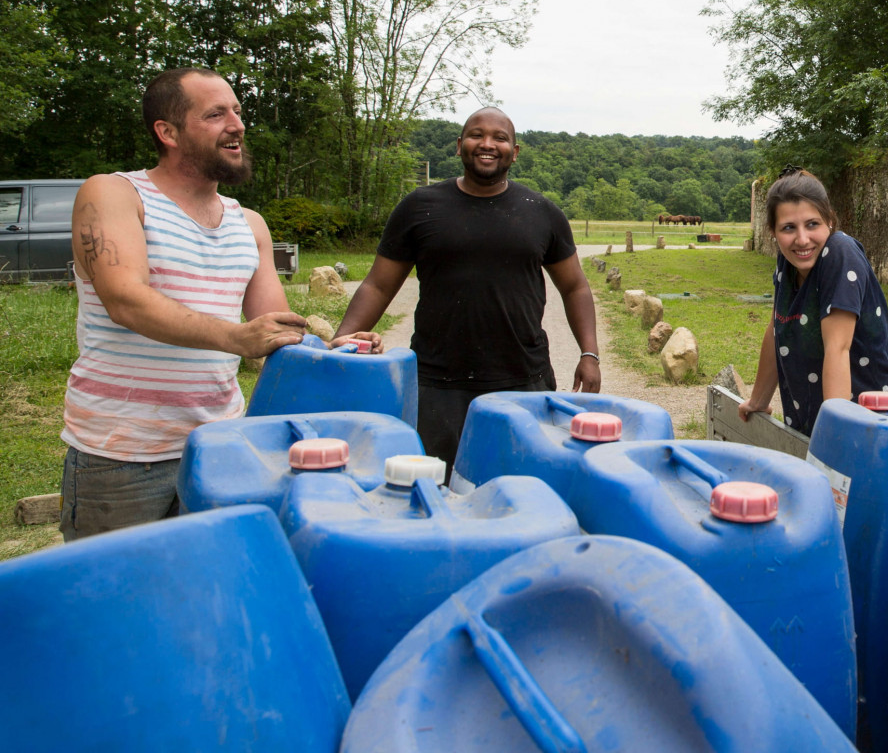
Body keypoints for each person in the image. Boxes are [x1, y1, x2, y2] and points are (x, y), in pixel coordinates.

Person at [60, 67, 379, 540]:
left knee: (206, 594)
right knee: (116, 605)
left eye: (237, 111)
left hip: (221, 446)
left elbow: (272, 330)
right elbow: (125, 300)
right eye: (215, 114)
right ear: (166, 132)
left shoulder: (248, 223)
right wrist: (235, 337)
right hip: (121, 454)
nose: (237, 124)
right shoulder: (113, 193)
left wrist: (329, 349)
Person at [335, 107, 600, 468]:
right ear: (460, 145)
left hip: (524, 382)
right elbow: (378, 286)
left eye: (500, 137)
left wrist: (590, 353)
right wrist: (342, 342)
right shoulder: (419, 208)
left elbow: (575, 288)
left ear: (515, 151)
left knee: (522, 488)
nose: (487, 144)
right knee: (435, 491)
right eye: (476, 135)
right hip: (436, 384)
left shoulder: (541, 212)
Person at [739, 169, 888, 436]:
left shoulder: (839, 253)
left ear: (830, 221)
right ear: (773, 232)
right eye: (788, 228)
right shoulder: (787, 263)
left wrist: (835, 434)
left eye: (812, 224)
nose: (802, 239)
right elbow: (777, 329)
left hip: (874, 426)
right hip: (819, 424)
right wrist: (758, 401)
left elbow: (838, 347)